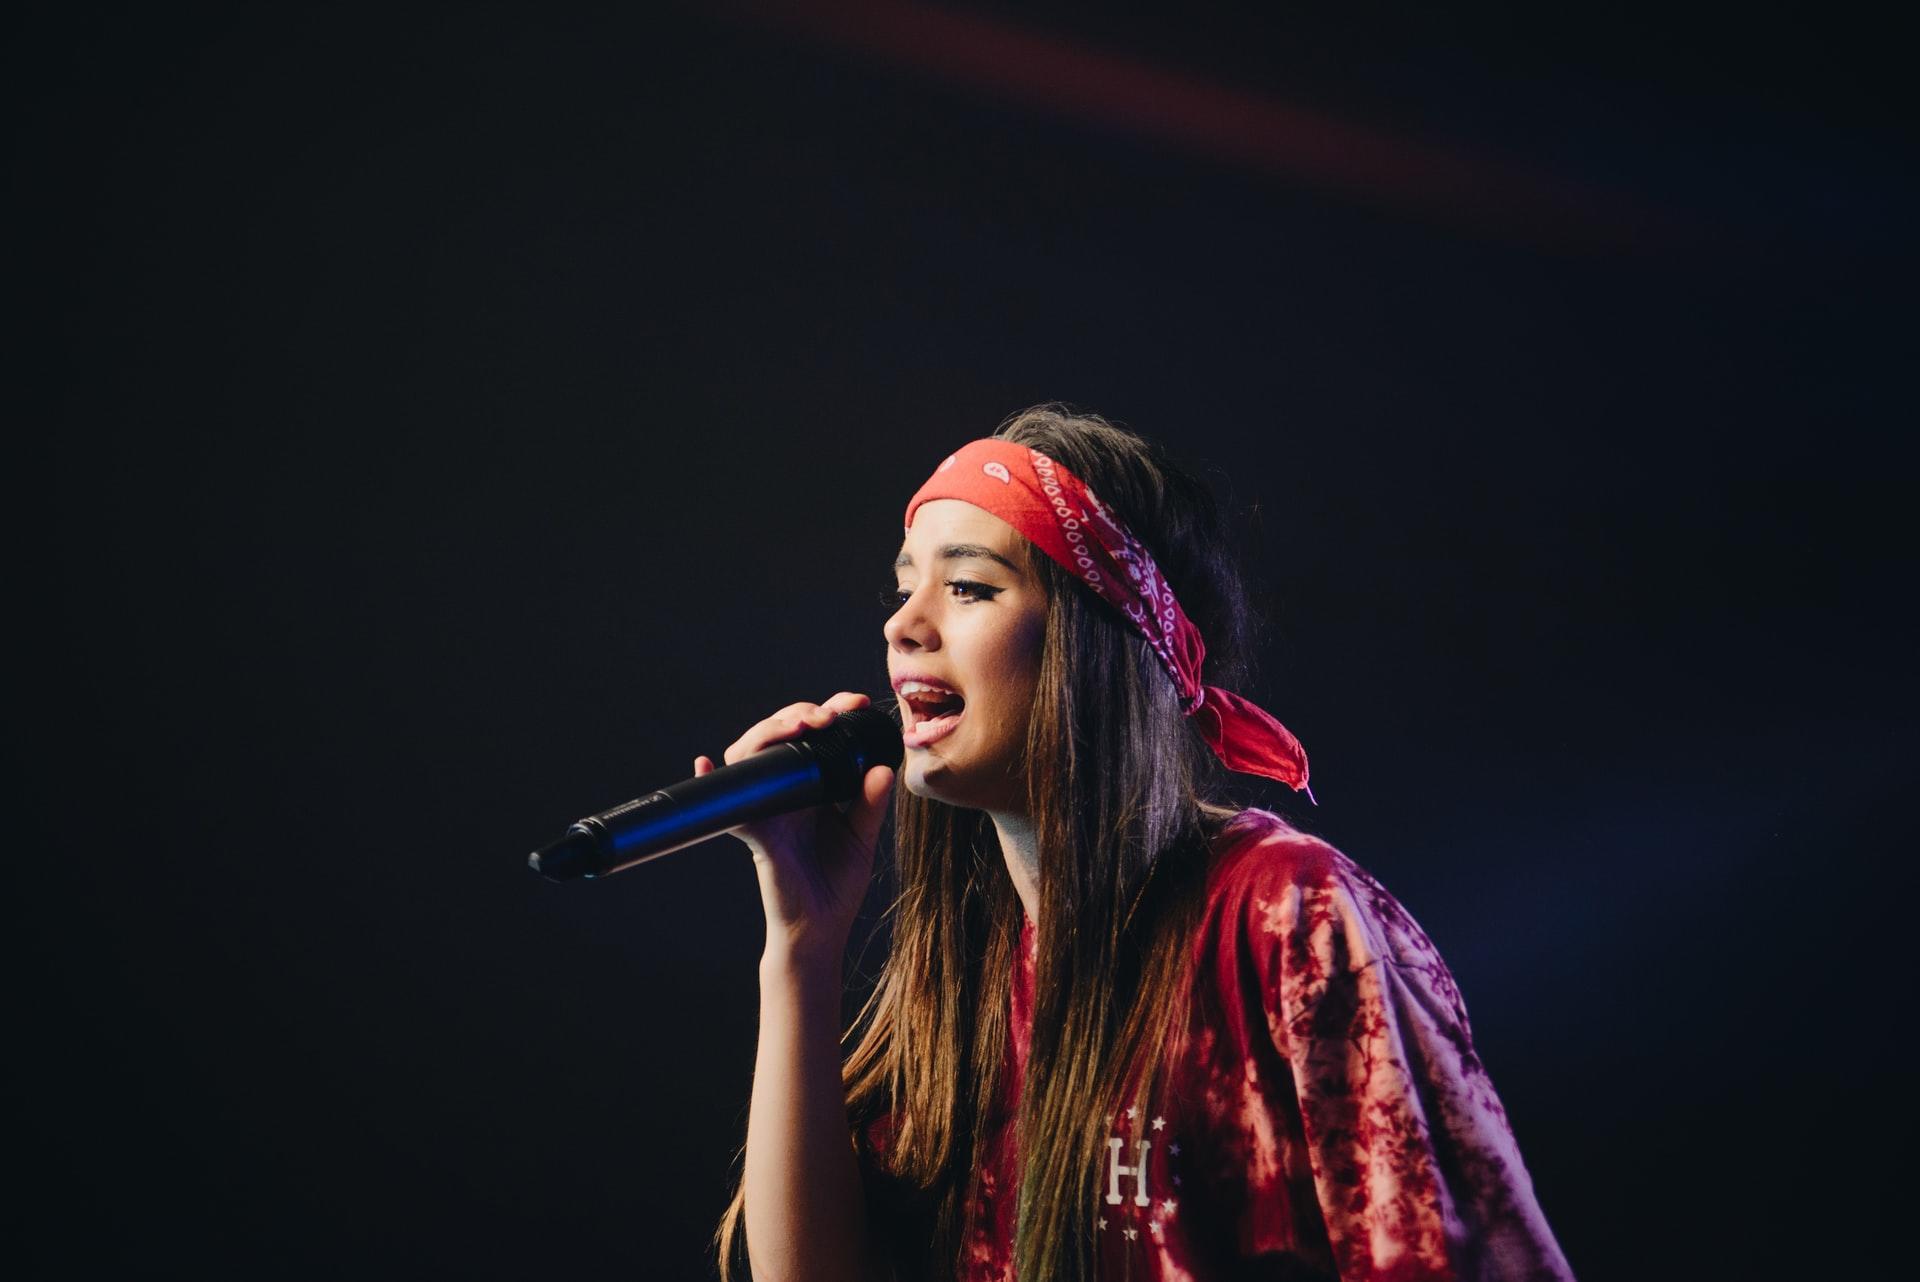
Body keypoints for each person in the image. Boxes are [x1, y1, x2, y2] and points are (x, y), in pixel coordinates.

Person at [707, 407, 1574, 1282]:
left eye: (968, 587)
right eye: (904, 588)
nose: (903, 626)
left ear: (1101, 636)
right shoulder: (967, 965)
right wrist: (802, 947)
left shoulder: (1284, 916)